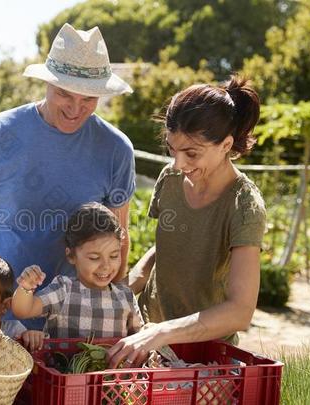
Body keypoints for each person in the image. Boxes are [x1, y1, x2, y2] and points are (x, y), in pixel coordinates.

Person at [0, 23, 136, 330]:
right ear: (47, 83)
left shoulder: (116, 149)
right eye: (64, 94)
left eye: (88, 99)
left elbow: (119, 241)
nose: (76, 109)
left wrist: (111, 319)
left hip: (71, 328)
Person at [106, 76, 267, 368]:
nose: (178, 164)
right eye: (172, 149)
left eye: (192, 153)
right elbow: (164, 248)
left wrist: (162, 332)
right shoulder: (170, 179)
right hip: (145, 340)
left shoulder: (244, 205)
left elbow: (240, 311)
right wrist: (123, 293)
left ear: (226, 145)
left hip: (201, 357)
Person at [12, 202, 143, 338]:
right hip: (63, 360)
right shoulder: (63, 290)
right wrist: (26, 287)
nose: (106, 266)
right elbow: (23, 311)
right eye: (94, 258)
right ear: (71, 255)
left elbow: (139, 340)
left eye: (114, 256)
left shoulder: (125, 297)